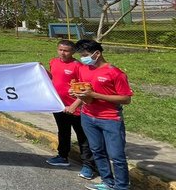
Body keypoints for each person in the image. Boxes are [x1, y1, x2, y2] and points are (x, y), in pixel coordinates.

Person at [71, 40, 133, 190]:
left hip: (110, 119)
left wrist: (95, 94)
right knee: (97, 151)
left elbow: (126, 99)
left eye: (85, 55)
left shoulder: (115, 73)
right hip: (88, 117)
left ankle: (122, 186)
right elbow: (85, 92)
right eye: (81, 55)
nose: (83, 59)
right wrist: (75, 93)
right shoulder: (84, 69)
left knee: (116, 156)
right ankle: (107, 182)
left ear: (97, 53)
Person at [45, 40, 97, 179]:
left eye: (66, 50)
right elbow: (53, 77)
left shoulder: (78, 66)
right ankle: (62, 156)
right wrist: (43, 71)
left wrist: (75, 105)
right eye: (60, 49)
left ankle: (89, 166)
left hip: (77, 108)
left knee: (83, 137)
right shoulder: (54, 62)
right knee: (63, 132)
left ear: (73, 52)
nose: (63, 53)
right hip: (59, 106)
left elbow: (86, 88)